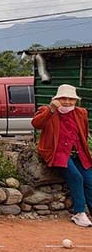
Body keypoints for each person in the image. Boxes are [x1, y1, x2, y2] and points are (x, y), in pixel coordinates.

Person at [32, 84, 92, 228]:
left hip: (78, 152)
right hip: (57, 152)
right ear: (56, 99)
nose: (67, 102)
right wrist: (52, 110)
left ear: (76, 100)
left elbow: (83, 133)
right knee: (76, 177)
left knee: (89, 179)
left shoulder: (81, 112)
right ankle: (79, 212)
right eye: (63, 98)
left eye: (71, 99)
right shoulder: (47, 110)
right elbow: (36, 124)